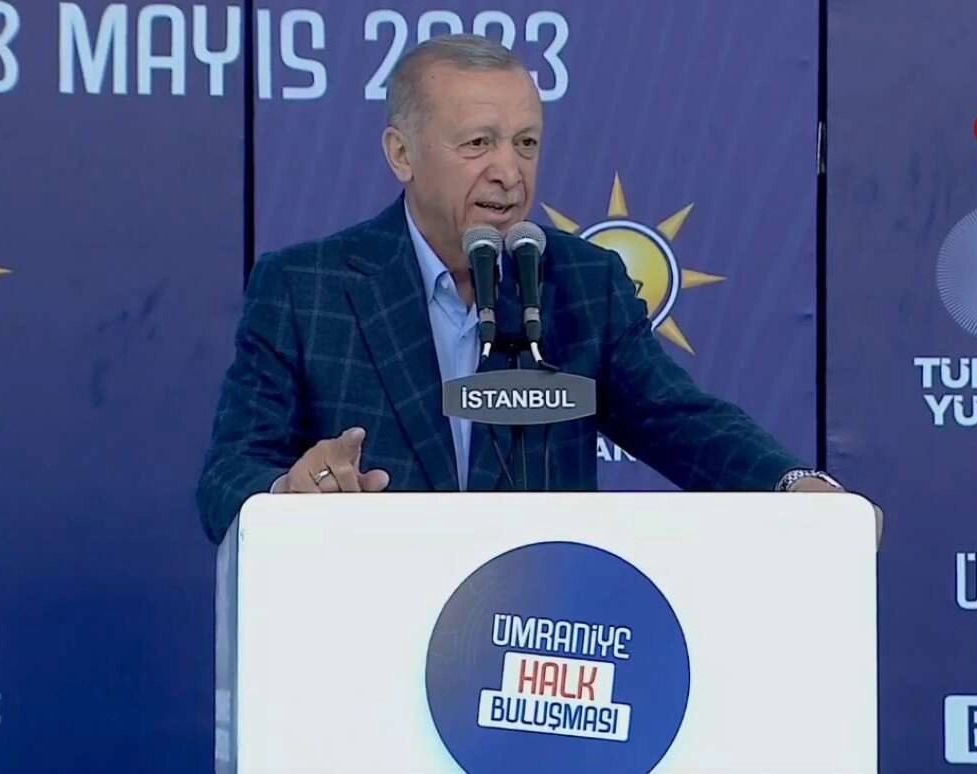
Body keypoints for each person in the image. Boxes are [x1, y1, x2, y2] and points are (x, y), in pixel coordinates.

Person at [195, 34, 883, 547]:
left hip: (538, 643)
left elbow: (681, 421)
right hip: (369, 637)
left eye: (525, 144)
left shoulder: (580, 284)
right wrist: (291, 492)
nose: (508, 172)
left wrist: (794, 486)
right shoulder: (306, 290)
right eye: (478, 144)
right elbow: (227, 477)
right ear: (401, 154)